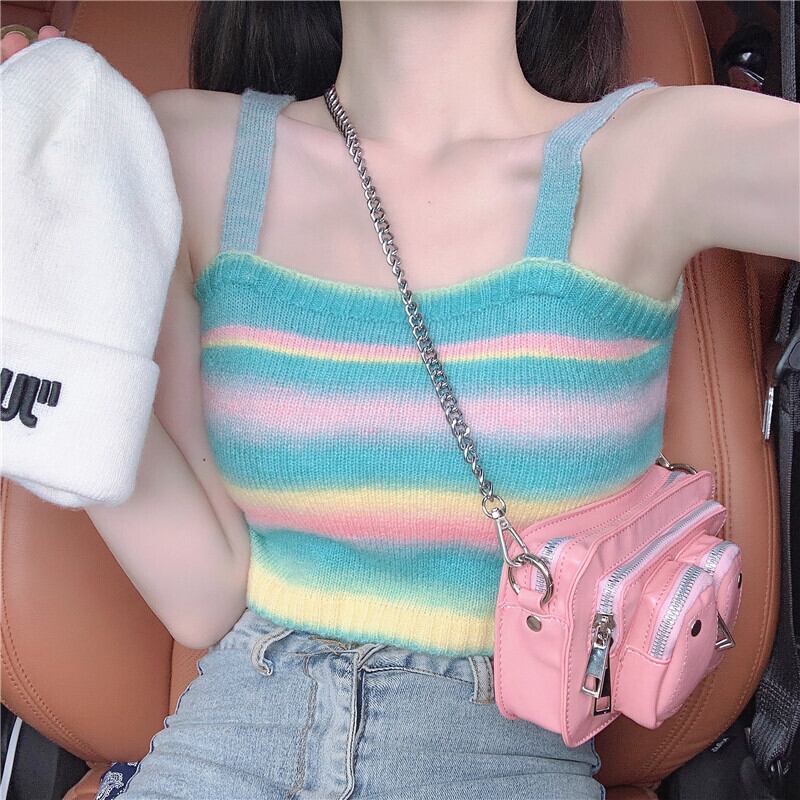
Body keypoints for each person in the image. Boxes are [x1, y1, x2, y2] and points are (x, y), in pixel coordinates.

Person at [2, 4, 798, 799]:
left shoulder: (652, 153)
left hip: (504, 763)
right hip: (227, 740)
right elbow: (203, 595)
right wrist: (39, 319)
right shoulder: (179, 147)